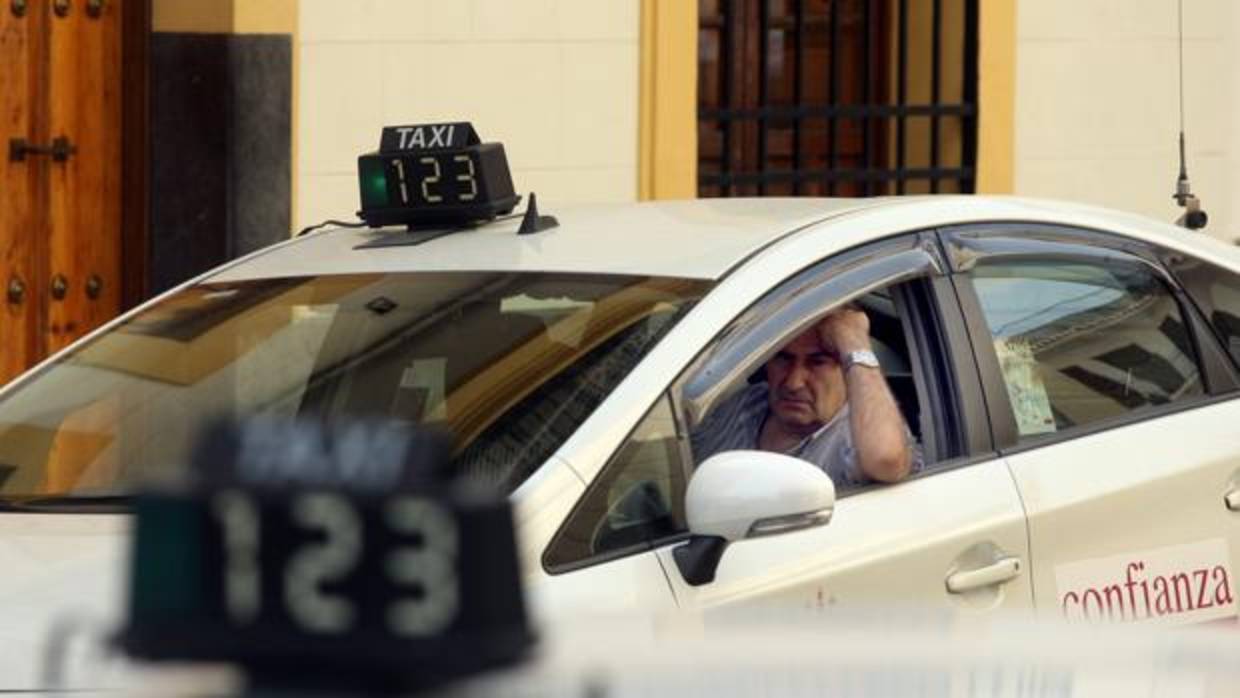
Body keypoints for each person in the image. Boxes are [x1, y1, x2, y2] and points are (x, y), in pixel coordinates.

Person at [691, 306, 921, 487]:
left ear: (848, 369)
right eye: (783, 358)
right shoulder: (747, 404)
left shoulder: (855, 438)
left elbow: (886, 460)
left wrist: (853, 340)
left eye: (817, 362)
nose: (793, 383)